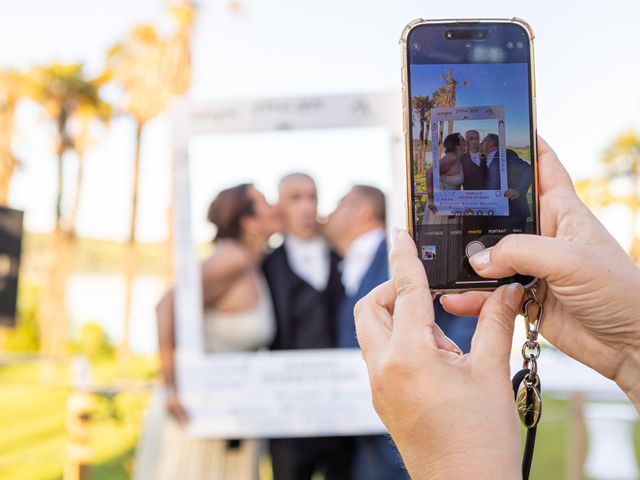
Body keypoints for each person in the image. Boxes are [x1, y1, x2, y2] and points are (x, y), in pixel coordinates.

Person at [353, 137, 640, 479]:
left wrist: (460, 462)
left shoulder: (502, 165)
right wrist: (630, 350)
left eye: (481, 141)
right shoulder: (448, 167)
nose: (476, 146)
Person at [324, 184, 477, 479]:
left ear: (363, 210)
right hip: (359, 421)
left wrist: (443, 371)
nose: (328, 214)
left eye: (340, 204)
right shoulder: (340, 264)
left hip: (413, 412)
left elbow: (460, 310)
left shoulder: (402, 255)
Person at [135, 184, 280, 480]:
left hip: (233, 411)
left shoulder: (252, 262)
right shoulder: (231, 260)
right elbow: (166, 306)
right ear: (248, 221)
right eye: (265, 202)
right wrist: (173, 387)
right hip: (198, 411)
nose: (275, 207)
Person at [262, 173, 353, 480]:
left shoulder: (342, 254)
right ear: (280, 206)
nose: (305, 207)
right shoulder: (265, 264)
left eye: (311, 197)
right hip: (287, 408)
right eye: (295, 198)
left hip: (342, 404)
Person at [481, 133, 533, 231]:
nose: (480, 143)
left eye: (483, 140)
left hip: (512, 216)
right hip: (494, 217)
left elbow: (528, 169)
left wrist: (518, 191)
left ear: (491, 143)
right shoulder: (483, 161)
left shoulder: (505, 155)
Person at [424, 133, 466, 224]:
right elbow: (429, 172)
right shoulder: (451, 158)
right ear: (456, 145)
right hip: (441, 208)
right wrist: (430, 198)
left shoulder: (458, 159)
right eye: (462, 140)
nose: (465, 142)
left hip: (451, 207)